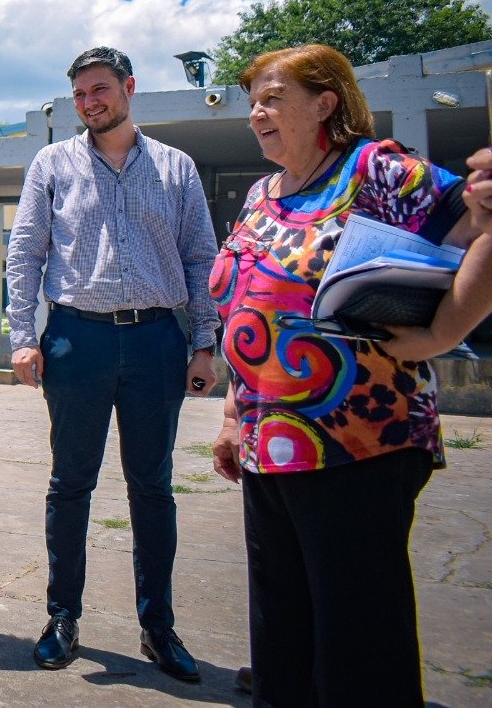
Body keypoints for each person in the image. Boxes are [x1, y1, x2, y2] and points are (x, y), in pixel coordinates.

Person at [209, 43, 488, 707]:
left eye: (273, 97)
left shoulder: (374, 170)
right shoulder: (262, 190)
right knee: (282, 630)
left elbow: (482, 224)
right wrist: (231, 411)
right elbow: (251, 302)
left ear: (325, 103)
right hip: (268, 440)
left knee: (358, 639)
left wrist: (444, 332)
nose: (257, 113)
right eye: (253, 100)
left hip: (360, 439)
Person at [5, 46, 219, 682]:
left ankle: (158, 627)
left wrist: (203, 342)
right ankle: (62, 616)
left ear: (129, 88)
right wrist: (24, 335)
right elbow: (25, 253)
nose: (90, 101)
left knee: (152, 487)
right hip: (78, 339)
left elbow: (200, 258)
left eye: (100, 89)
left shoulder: (176, 167)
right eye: (79, 94)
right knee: (71, 483)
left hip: (157, 341)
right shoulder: (53, 163)